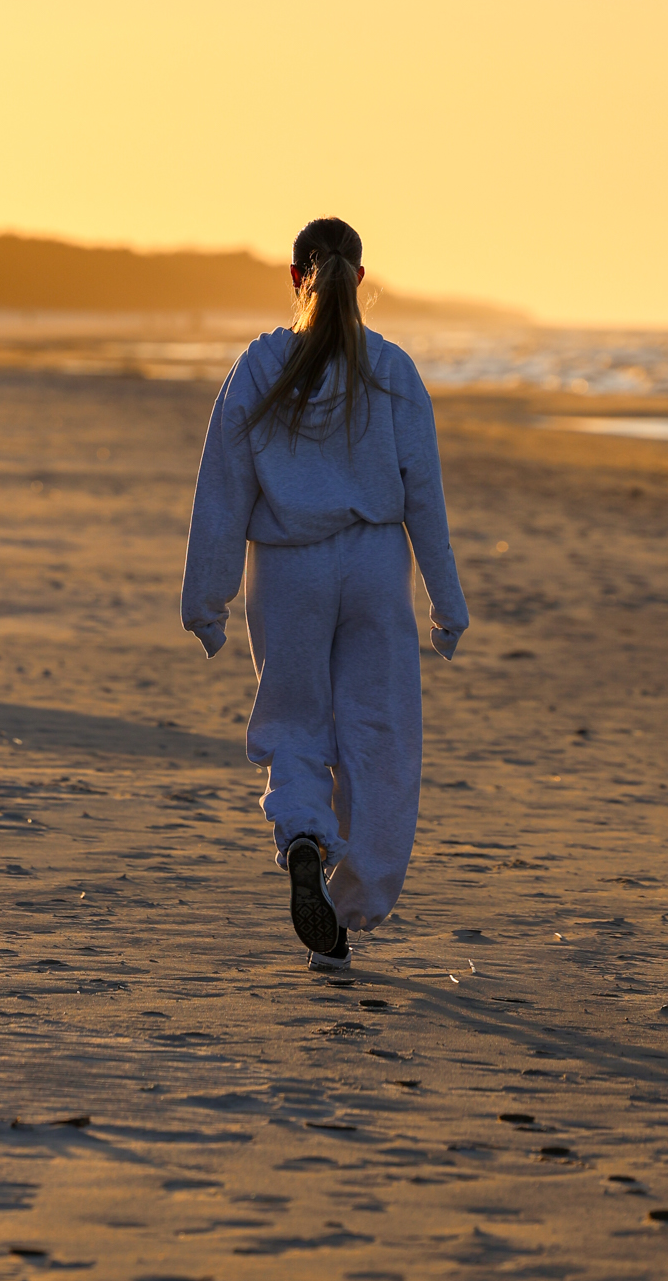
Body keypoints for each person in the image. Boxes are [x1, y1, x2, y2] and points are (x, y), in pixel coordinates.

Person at [180, 217, 468, 974]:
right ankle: (347, 905)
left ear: (293, 276)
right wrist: (447, 602)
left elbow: (223, 488)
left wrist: (203, 603)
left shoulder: (260, 365)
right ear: (360, 280)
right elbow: (423, 495)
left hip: (287, 569)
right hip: (375, 563)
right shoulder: (392, 369)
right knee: (378, 734)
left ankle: (304, 833)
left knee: (295, 721)